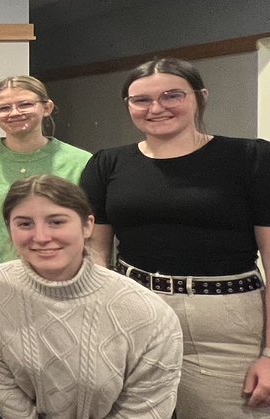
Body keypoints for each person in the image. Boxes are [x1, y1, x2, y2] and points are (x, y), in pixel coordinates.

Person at [79, 57, 270, 418]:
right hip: (134, 310)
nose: (156, 108)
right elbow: (96, 257)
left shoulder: (250, 157)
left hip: (223, 323)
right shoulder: (108, 164)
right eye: (141, 100)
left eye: (172, 95)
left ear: (200, 97)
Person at [0, 175, 182, 418]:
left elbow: (144, 409)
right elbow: (0, 383)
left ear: (87, 225)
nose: (41, 237)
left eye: (56, 222)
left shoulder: (149, 315)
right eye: (25, 224)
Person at [0, 75, 91, 274]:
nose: (15, 113)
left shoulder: (80, 161)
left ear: (46, 108)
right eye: (4, 108)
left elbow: (93, 230)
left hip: (64, 277)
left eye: (25, 104)